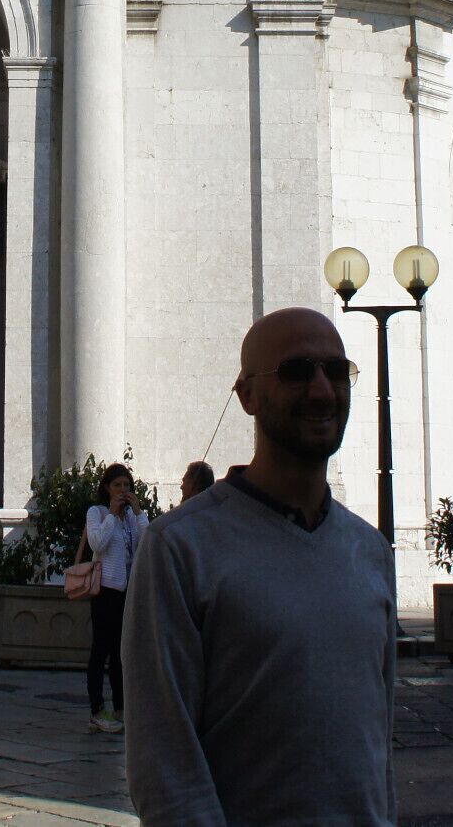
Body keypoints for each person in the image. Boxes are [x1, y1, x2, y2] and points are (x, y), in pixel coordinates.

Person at [125, 307, 396, 826]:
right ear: (246, 394)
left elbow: (376, 753)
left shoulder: (370, 552)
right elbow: (165, 764)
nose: (321, 391)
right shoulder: (181, 548)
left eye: (336, 372)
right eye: (296, 372)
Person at [82, 462, 150, 733]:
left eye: (127, 485)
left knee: (121, 653)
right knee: (100, 649)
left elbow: (147, 543)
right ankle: (97, 709)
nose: (123, 490)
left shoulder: (131, 518)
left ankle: (121, 708)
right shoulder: (97, 513)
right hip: (105, 590)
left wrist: (138, 511)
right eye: (117, 485)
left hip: (126, 590)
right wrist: (111, 515)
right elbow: (97, 543)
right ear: (107, 488)